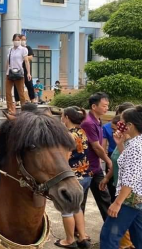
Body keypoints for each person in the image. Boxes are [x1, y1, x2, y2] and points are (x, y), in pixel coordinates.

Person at [100, 106, 142, 248]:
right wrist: (120, 144)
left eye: (122, 122)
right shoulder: (136, 142)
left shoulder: (136, 146)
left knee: (109, 236)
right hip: (137, 198)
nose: (119, 124)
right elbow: (127, 163)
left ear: (130, 125)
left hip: (129, 198)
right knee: (139, 236)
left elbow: (131, 177)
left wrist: (117, 203)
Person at [55, 106, 91, 249]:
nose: (61, 117)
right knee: (77, 208)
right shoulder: (82, 132)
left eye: (62, 115)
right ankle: (82, 237)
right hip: (85, 175)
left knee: (67, 210)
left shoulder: (68, 136)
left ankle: (69, 240)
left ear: (67, 118)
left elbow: (65, 159)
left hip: (73, 178)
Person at [80, 92, 113, 220]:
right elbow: (96, 146)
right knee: (81, 201)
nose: (107, 108)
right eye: (104, 106)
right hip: (85, 168)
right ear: (94, 106)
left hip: (95, 167)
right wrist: (108, 161)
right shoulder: (88, 122)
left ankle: (111, 229)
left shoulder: (98, 120)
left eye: (107, 106)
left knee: (104, 198)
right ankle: (79, 233)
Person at [103, 102, 136, 201]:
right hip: (119, 186)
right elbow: (119, 161)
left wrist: (118, 202)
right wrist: (107, 177)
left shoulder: (135, 144)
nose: (114, 132)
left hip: (129, 194)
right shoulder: (121, 141)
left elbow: (131, 173)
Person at [5, 34, 31, 115]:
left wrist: (28, 73)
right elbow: (7, 61)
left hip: (19, 72)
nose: (17, 41)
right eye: (16, 40)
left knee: (21, 92)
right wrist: (6, 71)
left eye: (19, 40)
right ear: (13, 40)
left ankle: (24, 110)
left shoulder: (23, 49)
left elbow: (26, 61)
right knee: (8, 92)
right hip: (10, 72)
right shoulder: (10, 50)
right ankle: (9, 108)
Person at [14, 35, 35, 103]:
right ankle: (17, 100)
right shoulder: (16, 49)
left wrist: (23, 57)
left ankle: (32, 99)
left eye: (24, 39)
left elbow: (31, 57)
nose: (23, 41)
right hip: (18, 69)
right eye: (22, 39)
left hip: (26, 70)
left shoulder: (28, 48)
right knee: (17, 85)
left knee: (29, 84)